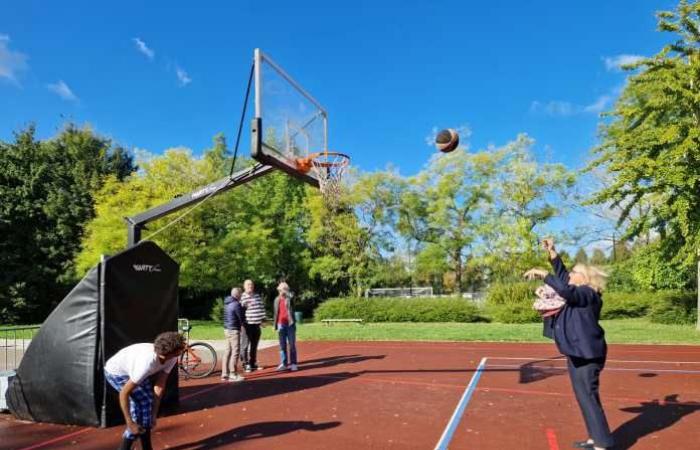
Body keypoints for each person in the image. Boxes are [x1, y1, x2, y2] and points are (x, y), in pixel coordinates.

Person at [524, 238, 614, 450]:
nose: (570, 275)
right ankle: (595, 438)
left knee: (589, 397)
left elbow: (566, 290)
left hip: (587, 355)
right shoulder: (580, 291)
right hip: (577, 353)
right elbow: (563, 277)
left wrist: (543, 274)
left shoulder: (588, 294)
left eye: (575, 272)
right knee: (583, 397)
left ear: (585, 278)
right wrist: (552, 252)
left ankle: (603, 443)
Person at [104, 331, 186, 450]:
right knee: (140, 408)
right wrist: (130, 423)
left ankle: (147, 447)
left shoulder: (172, 356)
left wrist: (153, 414)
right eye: (179, 351)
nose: (180, 353)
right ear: (166, 354)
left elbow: (159, 385)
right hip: (116, 372)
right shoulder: (146, 363)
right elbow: (124, 393)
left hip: (132, 369)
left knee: (147, 406)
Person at [240, 279, 266, 372]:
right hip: (247, 325)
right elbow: (240, 312)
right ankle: (245, 364)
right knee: (245, 345)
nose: (250, 286)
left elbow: (261, 308)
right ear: (244, 286)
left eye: (251, 284)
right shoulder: (242, 297)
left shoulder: (257, 296)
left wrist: (263, 319)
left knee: (254, 345)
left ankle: (253, 363)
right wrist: (242, 323)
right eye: (248, 285)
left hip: (256, 324)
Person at [273, 282, 298, 371]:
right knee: (282, 345)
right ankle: (283, 363)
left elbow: (293, 298)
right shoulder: (276, 300)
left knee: (292, 345)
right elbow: (276, 313)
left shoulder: (290, 298)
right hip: (280, 324)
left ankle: (294, 363)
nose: (281, 291)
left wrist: (287, 292)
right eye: (280, 289)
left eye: (284, 289)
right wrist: (274, 325)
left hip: (290, 324)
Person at [222, 287, 245, 382]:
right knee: (235, 351)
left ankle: (224, 373)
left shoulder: (227, 303)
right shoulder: (236, 304)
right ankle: (233, 373)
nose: (241, 295)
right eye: (241, 294)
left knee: (227, 351)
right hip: (234, 330)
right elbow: (241, 317)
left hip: (227, 329)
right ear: (238, 295)